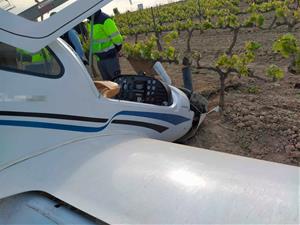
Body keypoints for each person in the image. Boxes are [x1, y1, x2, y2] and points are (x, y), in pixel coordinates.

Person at [89, 10, 123, 80]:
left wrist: (116, 50)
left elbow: (117, 38)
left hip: (110, 58)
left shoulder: (105, 19)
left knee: (116, 82)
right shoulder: (90, 21)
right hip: (100, 59)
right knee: (108, 85)